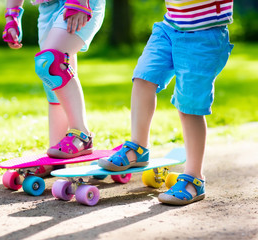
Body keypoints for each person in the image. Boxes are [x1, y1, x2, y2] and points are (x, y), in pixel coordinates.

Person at [98, 0, 234, 205]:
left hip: (204, 35)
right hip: (169, 27)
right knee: (144, 77)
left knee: (189, 106)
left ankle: (194, 179)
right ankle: (138, 147)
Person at [2, 0, 105, 175]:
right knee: (55, 82)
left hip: (80, 2)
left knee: (50, 63)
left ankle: (82, 134)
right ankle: (56, 157)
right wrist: (12, 15)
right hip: (47, 8)